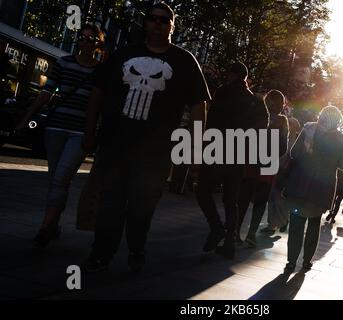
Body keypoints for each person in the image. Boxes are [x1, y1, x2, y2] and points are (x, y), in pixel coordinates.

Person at [82, 2, 210, 272]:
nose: (157, 24)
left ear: (172, 26)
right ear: (145, 22)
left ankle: (136, 248)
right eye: (152, 19)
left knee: (142, 206)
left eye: (164, 20)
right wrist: (89, 132)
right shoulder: (123, 55)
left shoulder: (185, 61)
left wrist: (197, 149)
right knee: (110, 202)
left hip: (156, 152)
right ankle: (101, 252)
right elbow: (98, 93)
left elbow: (199, 107)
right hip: (115, 144)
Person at [14, 24, 104, 247]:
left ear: (98, 45)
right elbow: (46, 93)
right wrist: (27, 119)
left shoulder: (102, 71)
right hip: (55, 128)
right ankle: (53, 226)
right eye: (81, 38)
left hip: (79, 132)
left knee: (61, 179)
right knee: (56, 180)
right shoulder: (64, 63)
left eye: (91, 39)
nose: (85, 42)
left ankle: (44, 228)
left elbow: (102, 104)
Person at [196, 61, 268, 259]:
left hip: (218, 149)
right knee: (231, 198)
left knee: (202, 190)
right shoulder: (256, 100)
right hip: (239, 154)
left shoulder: (223, 92)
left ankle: (216, 226)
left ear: (233, 75)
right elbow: (263, 126)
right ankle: (229, 242)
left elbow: (211, 121)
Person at [282, 106, 343, 272]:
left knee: (296, 224)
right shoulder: (341, 139)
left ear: (321, 117)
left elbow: (294, 153)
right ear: (338, 121)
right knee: (314, 224)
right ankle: (306, 262)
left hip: (300, 184)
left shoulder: (309, 129)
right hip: (322, 188)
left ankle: (291, 262)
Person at [236, 89, 288, 246]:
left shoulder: (257, 114)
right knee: (260, 201)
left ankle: (235, 232)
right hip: (268, 166)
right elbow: (283, 147)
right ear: (282, 105)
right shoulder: (282, 121)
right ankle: (251, 235)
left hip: (251, 161)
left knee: (243, 198)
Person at [260, 106, 301, 235]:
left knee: (275, 199)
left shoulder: (292, 142)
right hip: (283, 173)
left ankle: (273, 225)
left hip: (282, 173)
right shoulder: (294, 141)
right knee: (279, 200)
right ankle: (281, 221)